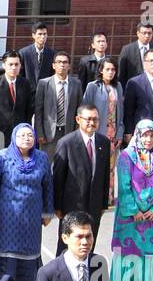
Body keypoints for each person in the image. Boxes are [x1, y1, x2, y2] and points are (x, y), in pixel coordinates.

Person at [0, 123, 54, 281]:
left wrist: (47, 212)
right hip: (7, 217)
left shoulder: (42, 158)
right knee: (7, 251)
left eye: (29, 135)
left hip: (31, 217)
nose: (26, 138)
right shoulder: (1, 157)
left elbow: (48, 186)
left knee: (29, 251)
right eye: (22, 135)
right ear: (14, 137)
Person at [111, 119, 153, 281]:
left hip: (150, 214)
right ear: (138, 135)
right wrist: (133, 210)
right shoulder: (127, 156)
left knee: (147, 248)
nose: (148, 140)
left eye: (152, 136)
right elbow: (123, 186)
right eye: (144, 136)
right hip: (130, 214)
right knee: (130, 246)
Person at [52, 106, 111, 255]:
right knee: (67, 248)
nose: (92, 123)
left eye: (95, 119)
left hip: (94, 207)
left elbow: (105, 175)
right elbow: (58, 178)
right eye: (88, 119)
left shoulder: (103, 142)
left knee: (88, 246)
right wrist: (58, 207)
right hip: (71, 206)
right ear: (78, 120)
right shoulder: (66, 143)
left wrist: (104, 203)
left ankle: (84, 276)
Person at [83, 58, 124, 202]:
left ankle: (108, 196)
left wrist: (120, 132)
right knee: (95, 165)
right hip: (96, 132)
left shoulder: (117, 86)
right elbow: (85, 110)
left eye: (113, 69)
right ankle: (93, 196)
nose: (111, 72)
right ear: (101, 70)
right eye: (107, 69)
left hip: (112, 134)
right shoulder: (92, 86)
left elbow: (121, 112)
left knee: (110, 167)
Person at [34, 51, 82, 158]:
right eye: (59, 62)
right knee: (46, 163)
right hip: (48, 132)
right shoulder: (44, 83)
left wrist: (78, 132)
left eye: (65, 62)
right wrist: (40, 133)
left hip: (68, 131)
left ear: (69, 66)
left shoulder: (76, 84)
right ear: (53, 65)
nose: (62, 65)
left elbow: (79, 110)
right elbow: (38, 111)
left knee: (67, 163)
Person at [0, 51, 32, 150]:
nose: (14, 67)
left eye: (16, 64)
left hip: (20, 134)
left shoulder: (25, 84)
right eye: (10, 64)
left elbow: (28, 110)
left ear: (20, 66)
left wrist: (27, 129)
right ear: (3, 65)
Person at [19, 22, 55, 101]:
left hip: (45, 94)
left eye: (45, 34)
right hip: (27, 94)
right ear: (33, 35)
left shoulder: (52, 53)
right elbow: (20, 75)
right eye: (40, 34)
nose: (43, 37)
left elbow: (52, 74)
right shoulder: (24, 53)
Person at [117, 22, 153, 89]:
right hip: (132, 88)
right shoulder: (127, 50)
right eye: (144, 33)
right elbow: (121, 73)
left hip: (151, 87)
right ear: (138, 33)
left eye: (149, 33)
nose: (147, 36)